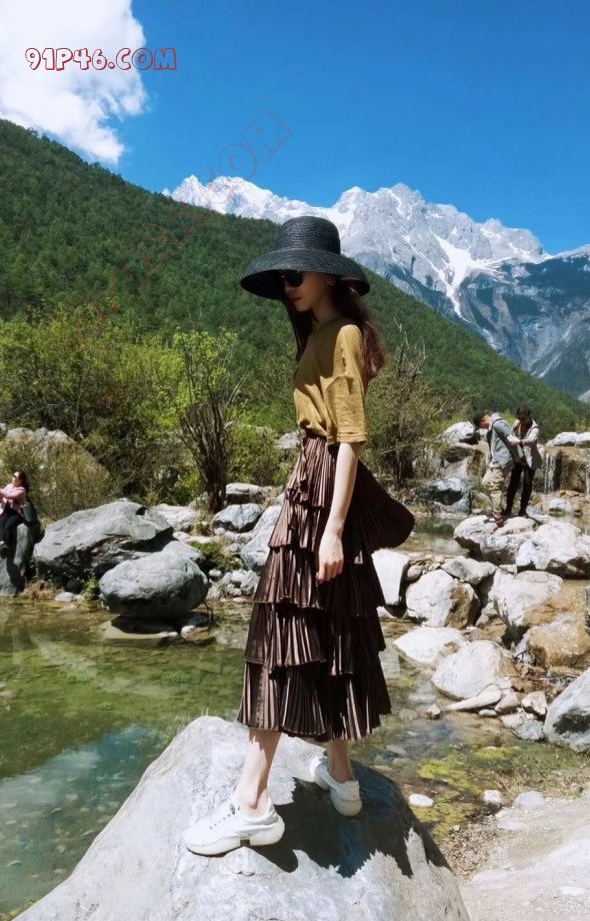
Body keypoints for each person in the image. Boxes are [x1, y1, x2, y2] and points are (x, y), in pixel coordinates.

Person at [183, 215, 415, 857]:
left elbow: (351, 439)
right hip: (315, 482)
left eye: (295, 272)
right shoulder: (321, 332)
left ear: (329, 276)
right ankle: (341, 774)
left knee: (280, 635)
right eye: (281, 275)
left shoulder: (343, 334)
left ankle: (252, 802)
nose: (287, 284)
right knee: (327, 629)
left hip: (321, 493)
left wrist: (333, 530)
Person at [472, 410, 525, 527]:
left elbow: (512, 439)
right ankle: (499, 507)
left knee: (494, 485)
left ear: (483, 421)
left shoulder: (498, 424)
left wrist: (518, 457)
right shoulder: (491, 429)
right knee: (485, 483)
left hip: (503, 461)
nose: (481, 429)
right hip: (495, 462)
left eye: (480, 426)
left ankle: (497, 515)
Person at [504, 406, 541, 518]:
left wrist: (519, 442)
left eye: (524, 419)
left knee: (527, 485)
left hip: (530, 460)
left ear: (530, 416)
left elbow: (532, 440)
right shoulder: (517, 424)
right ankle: (508, 508)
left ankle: (522, 510)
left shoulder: (535, 427)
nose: (522, 421)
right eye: (520, 418)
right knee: (513, 483)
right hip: (518, 457)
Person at [0, 470, 29, 555]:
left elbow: (9, 496)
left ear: (20, 480)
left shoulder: (22, 490)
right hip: (6, 510)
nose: (13, 477)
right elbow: (0, 497)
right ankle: (2, 544)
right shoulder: (9, 486)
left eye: (15, 476)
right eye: (13, 475)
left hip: (16, 513)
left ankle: (6, 545)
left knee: (8, 526)